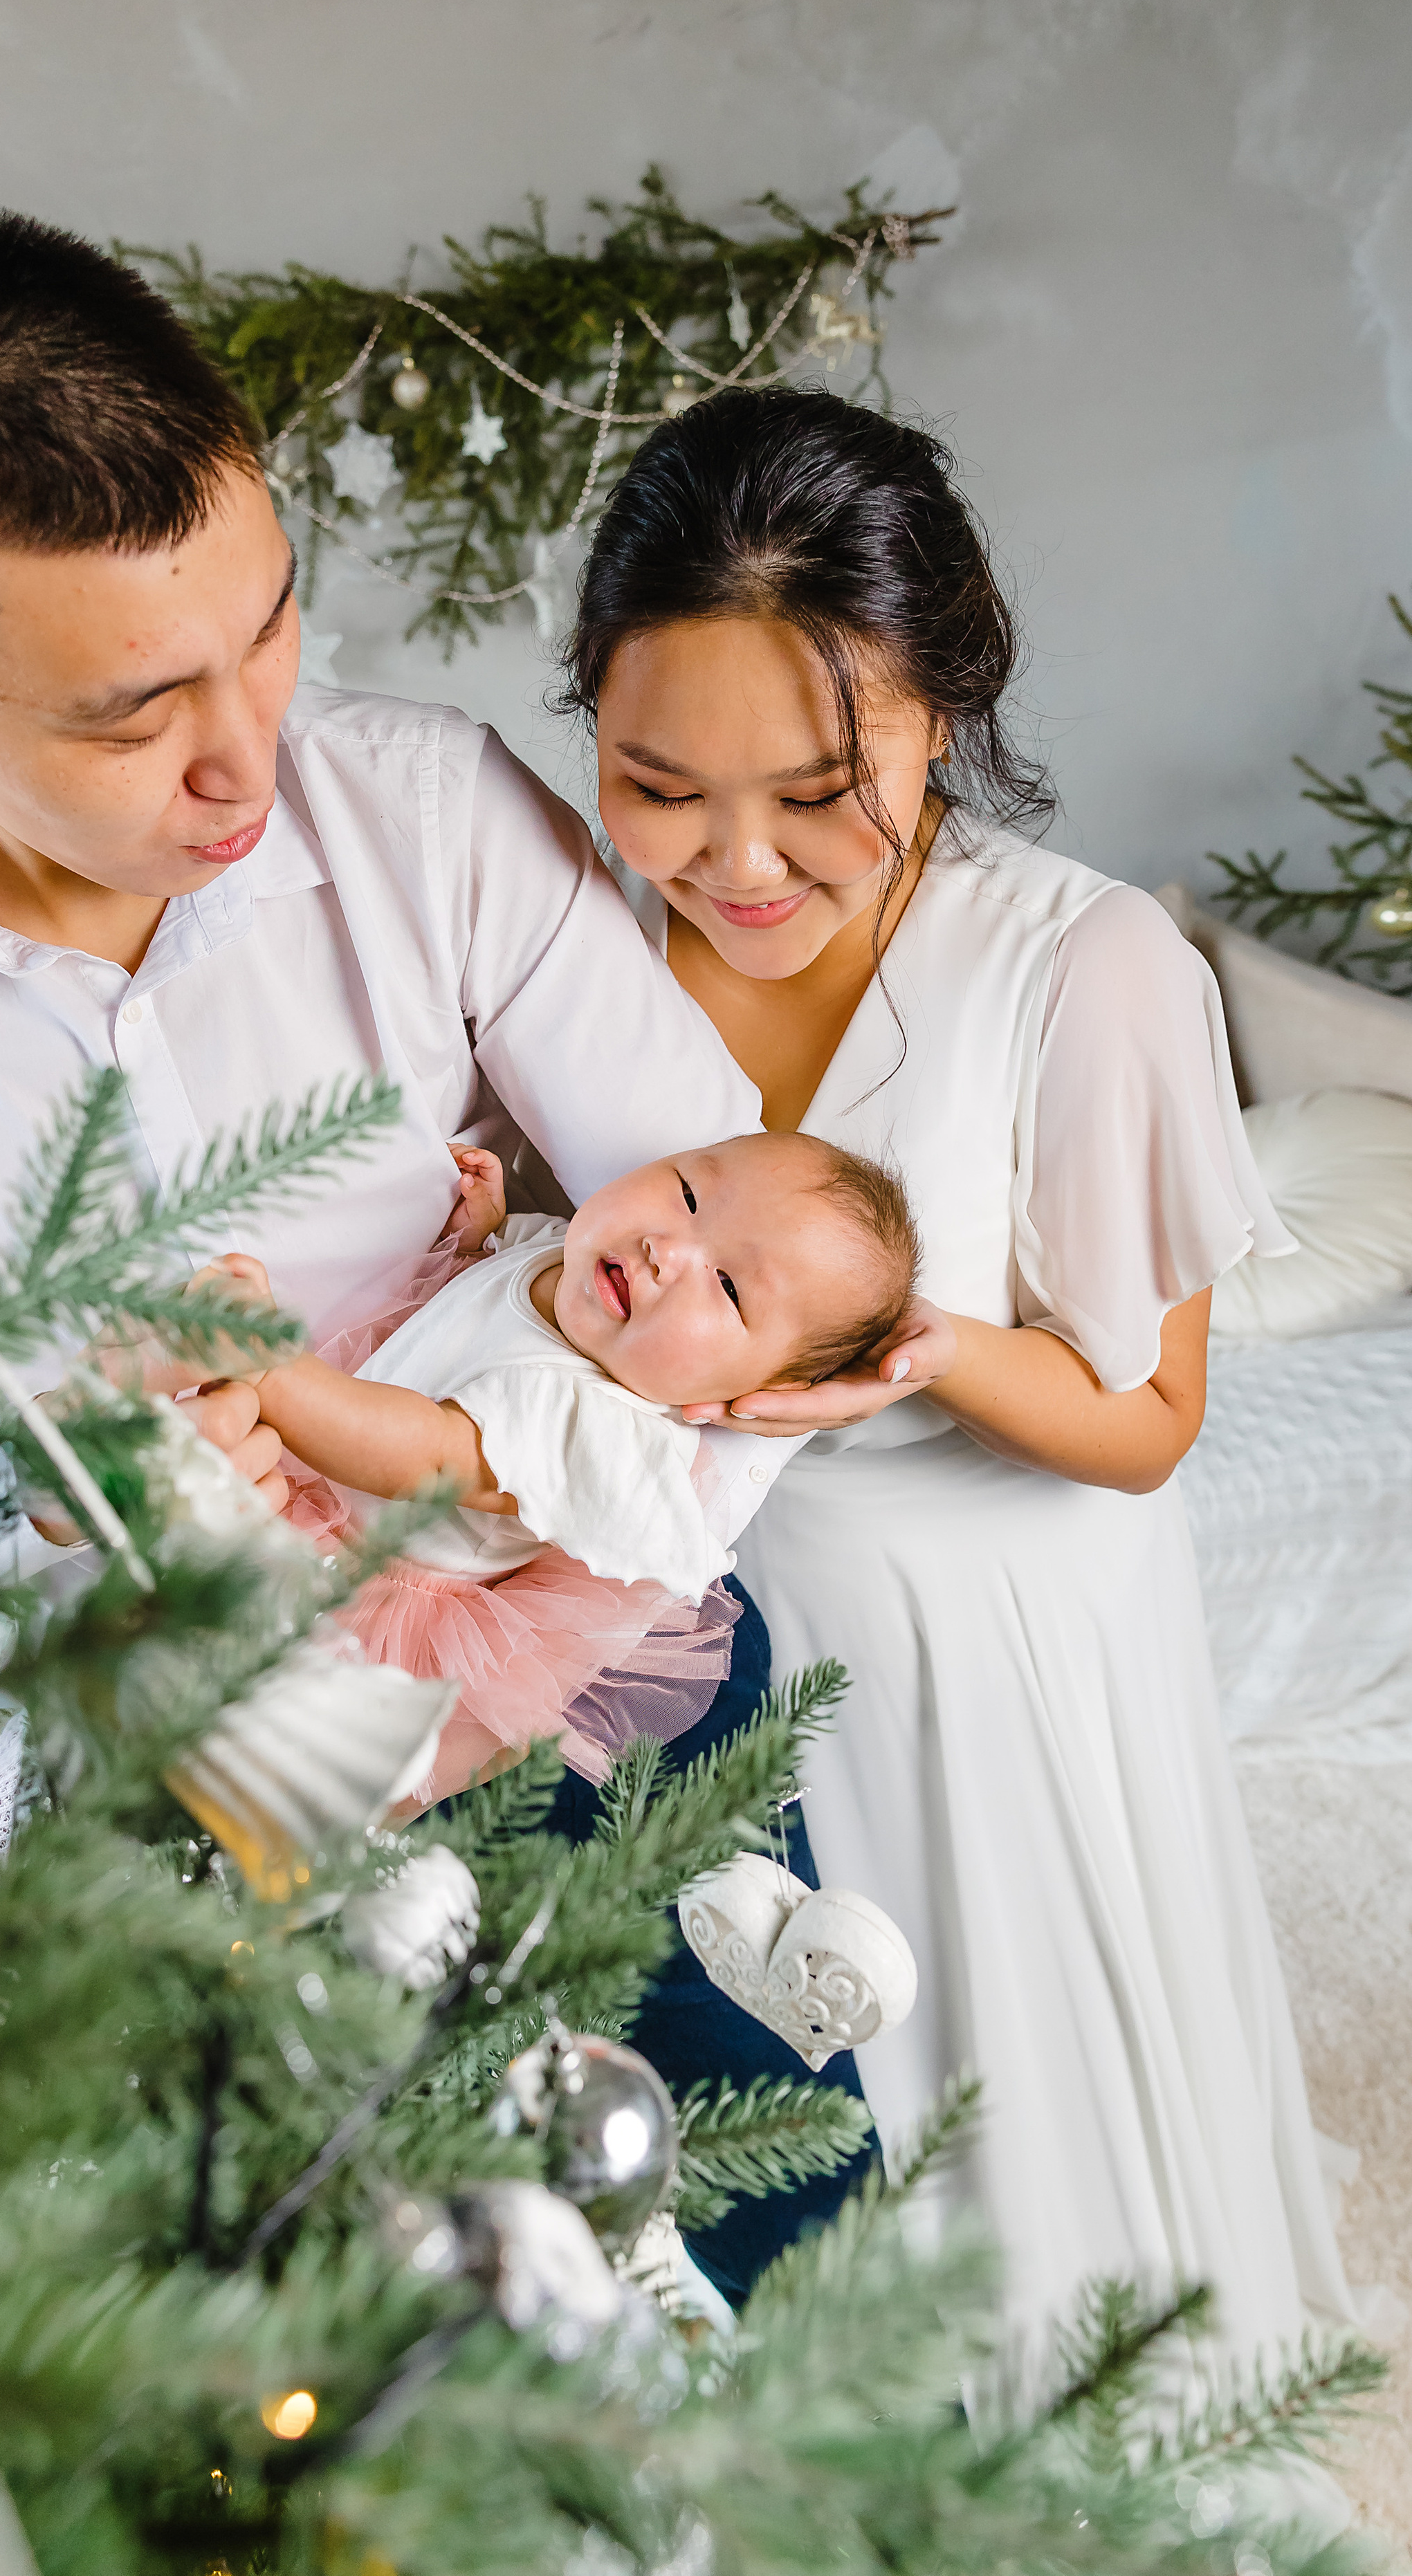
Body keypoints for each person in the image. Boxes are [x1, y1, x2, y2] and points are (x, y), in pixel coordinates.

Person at [0, 203, 868, 2296]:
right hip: (119, 1794)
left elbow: (757, 1267)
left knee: (778, 2260)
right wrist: (46, 1468)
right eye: (129, 715)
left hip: (560, 1672)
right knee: (312, 2388)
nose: (248, 758)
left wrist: (548, 1579)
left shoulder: (423, 817)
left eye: (270, 624)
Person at [558, 383, 1355, 2384]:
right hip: (664, 1621)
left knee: (1001, 2175)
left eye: (821, 790)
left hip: (979, 1644)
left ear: (946, 702)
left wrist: (926, 1352)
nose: (735, 860)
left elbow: (1146, 1424)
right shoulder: (561, 933)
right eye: (662, 784)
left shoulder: (1084, 966)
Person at [208, 1129, 917, 1804]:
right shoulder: (568, 1256)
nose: (667, 1249)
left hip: (358, 1601)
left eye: (729, 1287)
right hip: (318, 1500)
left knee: (250, 1755)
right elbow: (488, 1301)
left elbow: (421, 1454)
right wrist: (485, 1236)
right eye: (688, 1194)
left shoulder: (595, 1424)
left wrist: (273, 1369)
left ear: (753, 1390)